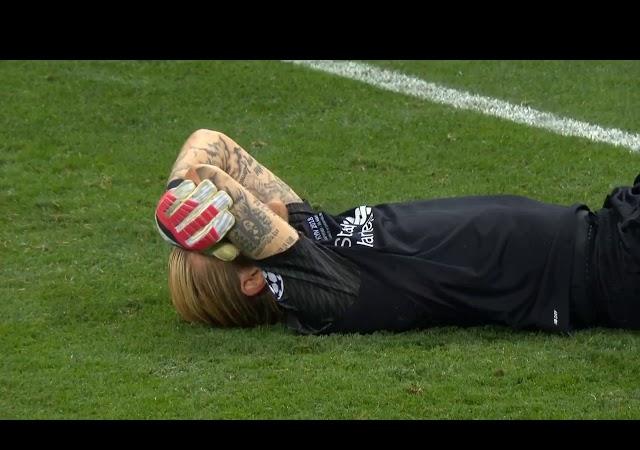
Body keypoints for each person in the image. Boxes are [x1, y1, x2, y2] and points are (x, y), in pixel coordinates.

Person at [155, 129, 640, 334]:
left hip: (607, 228)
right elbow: (227, 191)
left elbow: (211, 142)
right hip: (609, 268)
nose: (219, 207)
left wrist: (180, 186)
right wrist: (187, 201)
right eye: (214, 231)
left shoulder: (310, 236)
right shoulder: (320, 295)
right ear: (254, 279)